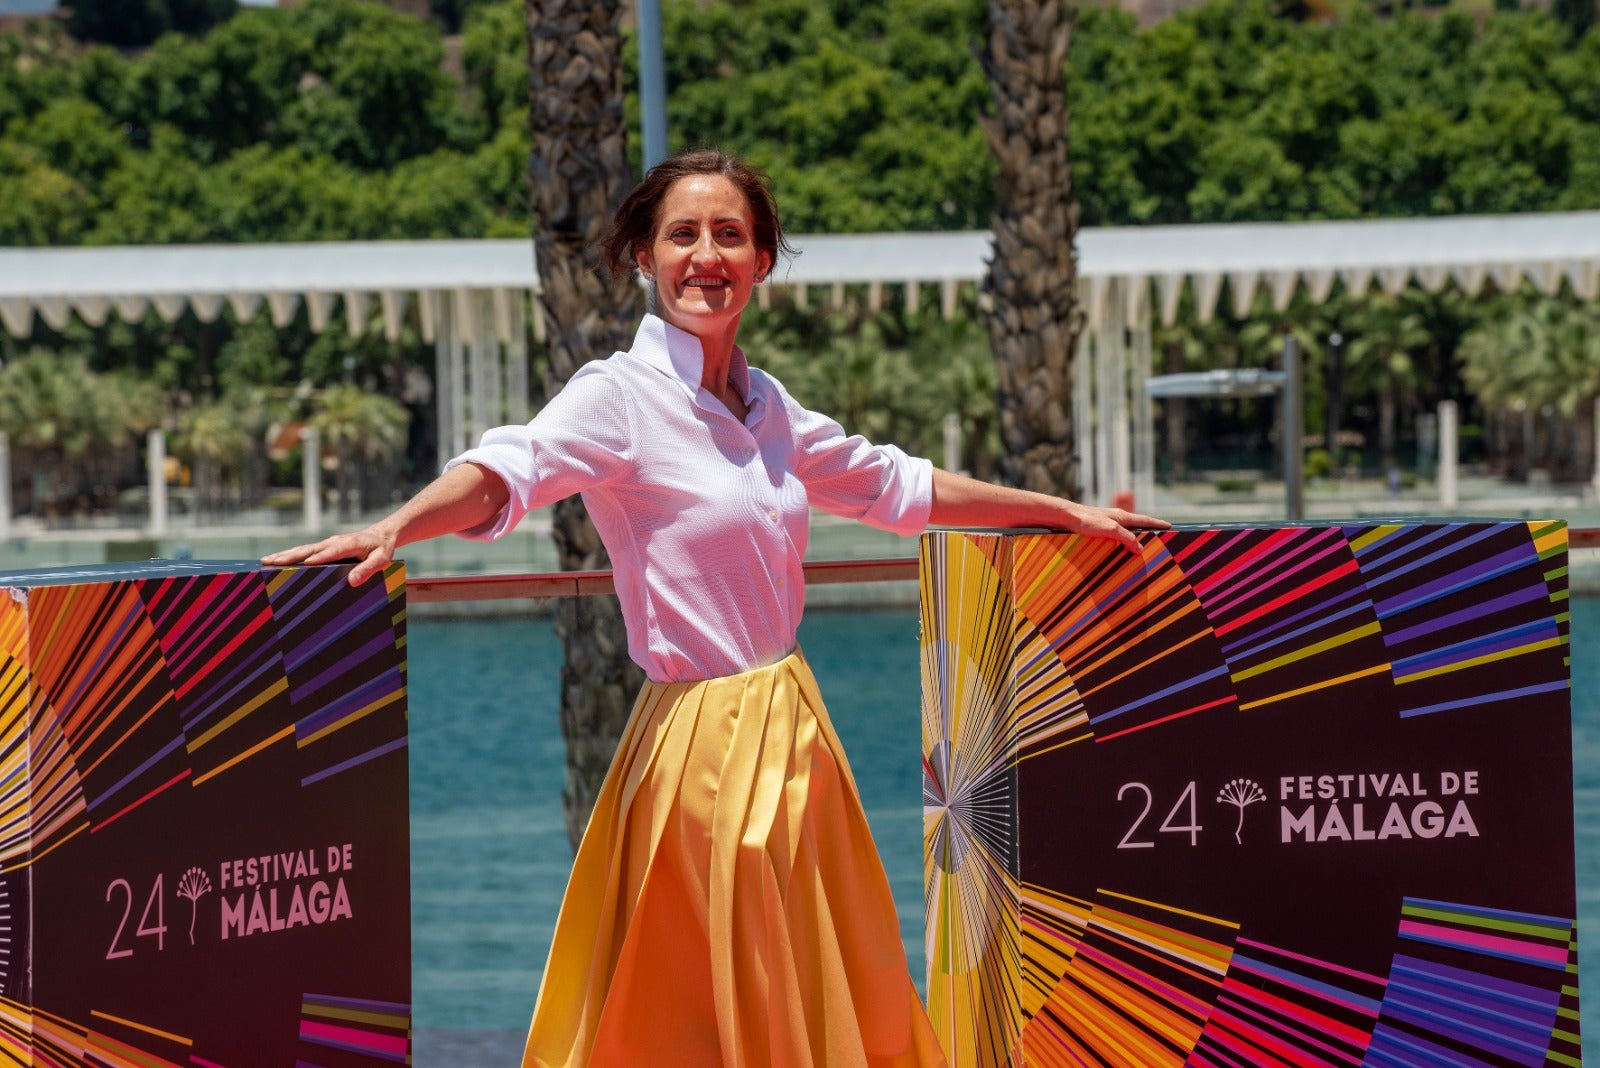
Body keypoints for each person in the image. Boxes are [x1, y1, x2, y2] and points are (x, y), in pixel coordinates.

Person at [263, 147, 1167, 1067]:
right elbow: (509, 469)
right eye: (683, 235)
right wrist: (397, 526)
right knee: (712, 991)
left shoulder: (768, 406)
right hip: (698, 743)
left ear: (763, 261)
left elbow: (902, 486)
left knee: (814, 976)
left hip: (795, 725)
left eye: (730, 236)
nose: (707, 255)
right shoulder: (619, 397)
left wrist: (1062, 513)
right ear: (643, 259)